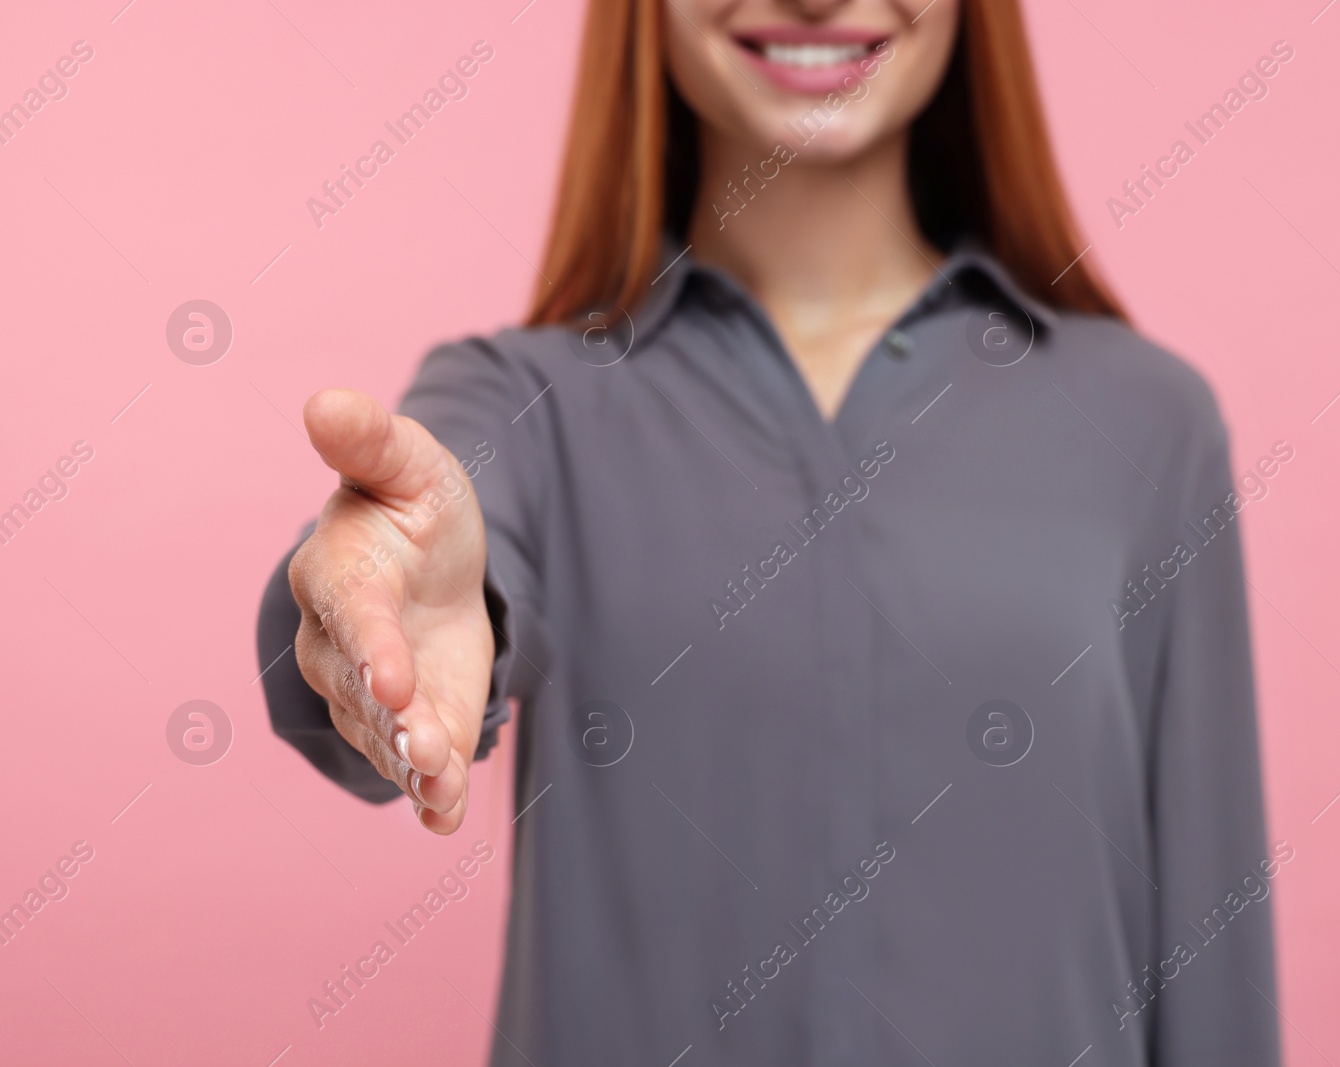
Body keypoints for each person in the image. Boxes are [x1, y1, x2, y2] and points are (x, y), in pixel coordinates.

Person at [256, 0, 1281, 1063]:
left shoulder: (1145, 422)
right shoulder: (523, 404)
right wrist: (372, 629)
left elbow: (1213, 954)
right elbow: (420, 569)